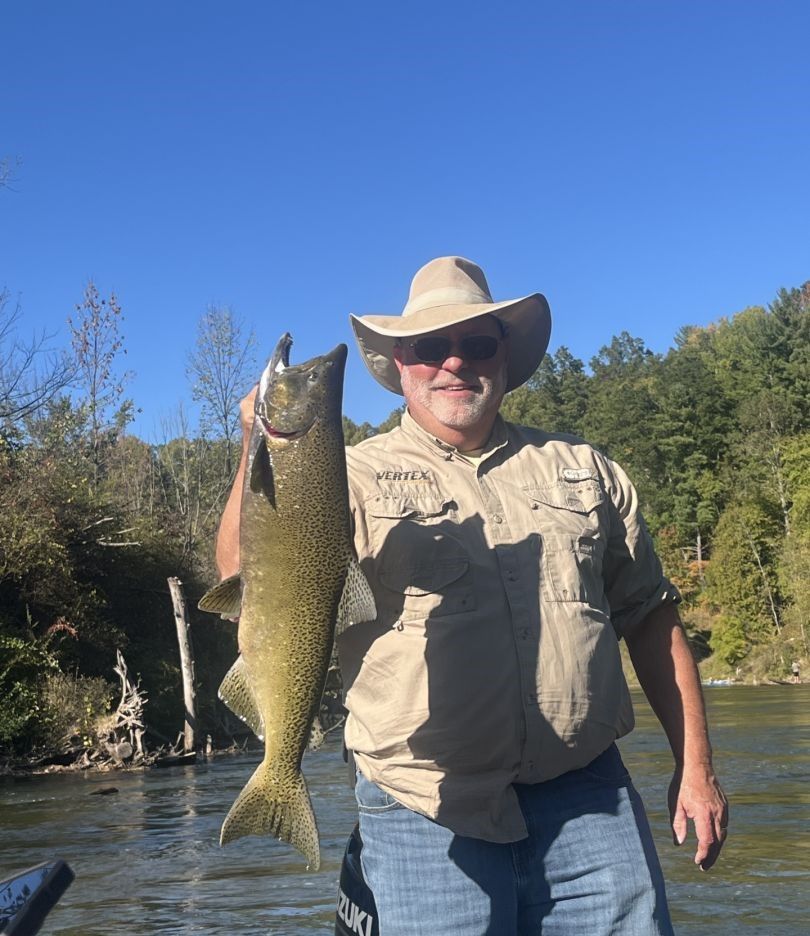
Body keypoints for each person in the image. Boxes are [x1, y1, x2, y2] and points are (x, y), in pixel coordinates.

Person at [216, 256, 728, 935]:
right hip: (421, 811)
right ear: (401, 363)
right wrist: (260, 444)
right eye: (430, 347)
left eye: (476, 343)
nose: (454, 362)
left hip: (590, 800)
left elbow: (652, 618)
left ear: (504, 356)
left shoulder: (586, 469)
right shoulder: (347, 475)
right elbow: (249, 579)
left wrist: (696, 767)